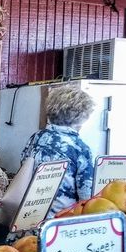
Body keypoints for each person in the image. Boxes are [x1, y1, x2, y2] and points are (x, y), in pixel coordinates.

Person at [21, 85, 95, 217]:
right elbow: (86, 197)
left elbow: (23, 167)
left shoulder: (36, 137)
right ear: (82, 115)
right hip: (60, 220)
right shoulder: (80, 148)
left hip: (29, 215)